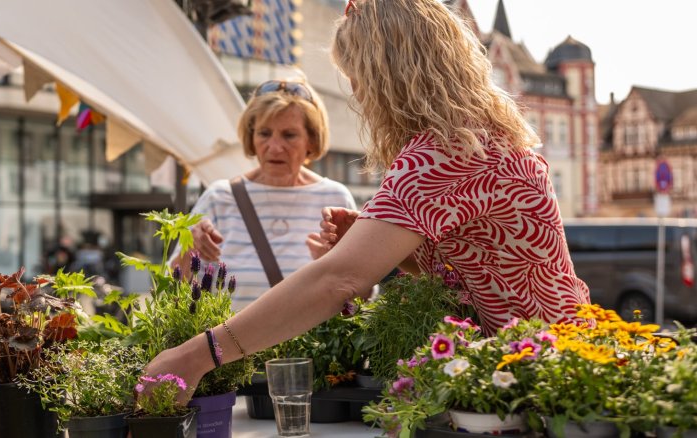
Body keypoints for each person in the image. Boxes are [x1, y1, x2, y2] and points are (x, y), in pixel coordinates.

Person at [145, 0, 590, 401]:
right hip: (550, 363)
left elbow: (337, 281)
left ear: (389, 72)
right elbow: (479, 265)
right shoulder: (475, 139)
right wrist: (391, 247)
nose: (356, 91)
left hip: (542, 377)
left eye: (357, 73)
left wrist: (193, 357)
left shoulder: (444, 152)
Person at [172, 75, 357, 310]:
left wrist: (333, 266)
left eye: (289, 135)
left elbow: (363, 295)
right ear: (251, 137)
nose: (275, 147)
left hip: (314, 346)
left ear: (311, 140)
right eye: (264, 133)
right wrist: (191, 249)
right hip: (228, 346)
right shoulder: (218, 197)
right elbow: (172, 288)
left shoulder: (335, 198)